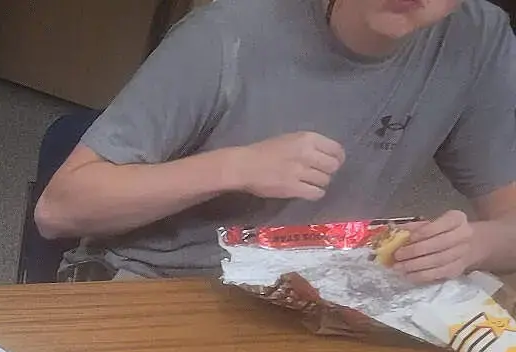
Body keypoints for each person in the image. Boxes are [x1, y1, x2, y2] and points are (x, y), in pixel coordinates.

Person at [34, 0, 516, 282]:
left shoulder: (479, 39)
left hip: (314, 297)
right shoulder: (228, 33)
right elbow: (59, 210)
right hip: (160, 283)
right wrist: (236, 167)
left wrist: (476, 245)